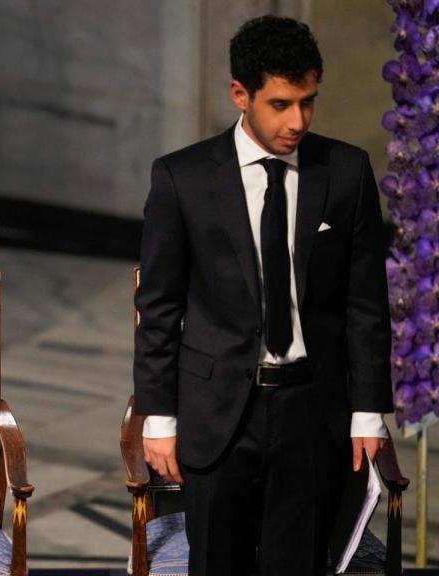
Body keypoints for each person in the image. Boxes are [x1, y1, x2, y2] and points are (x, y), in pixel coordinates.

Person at [133, 15, 392, 576]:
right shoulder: (183, 178)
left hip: (311, 410)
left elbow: (365, 303)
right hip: (218, 412)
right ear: (240, 95)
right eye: (280, 103)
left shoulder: (346, 172)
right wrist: (158, 419)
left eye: (308, 101)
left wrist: (368, 411)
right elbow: (158, 310)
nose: (297, 120)